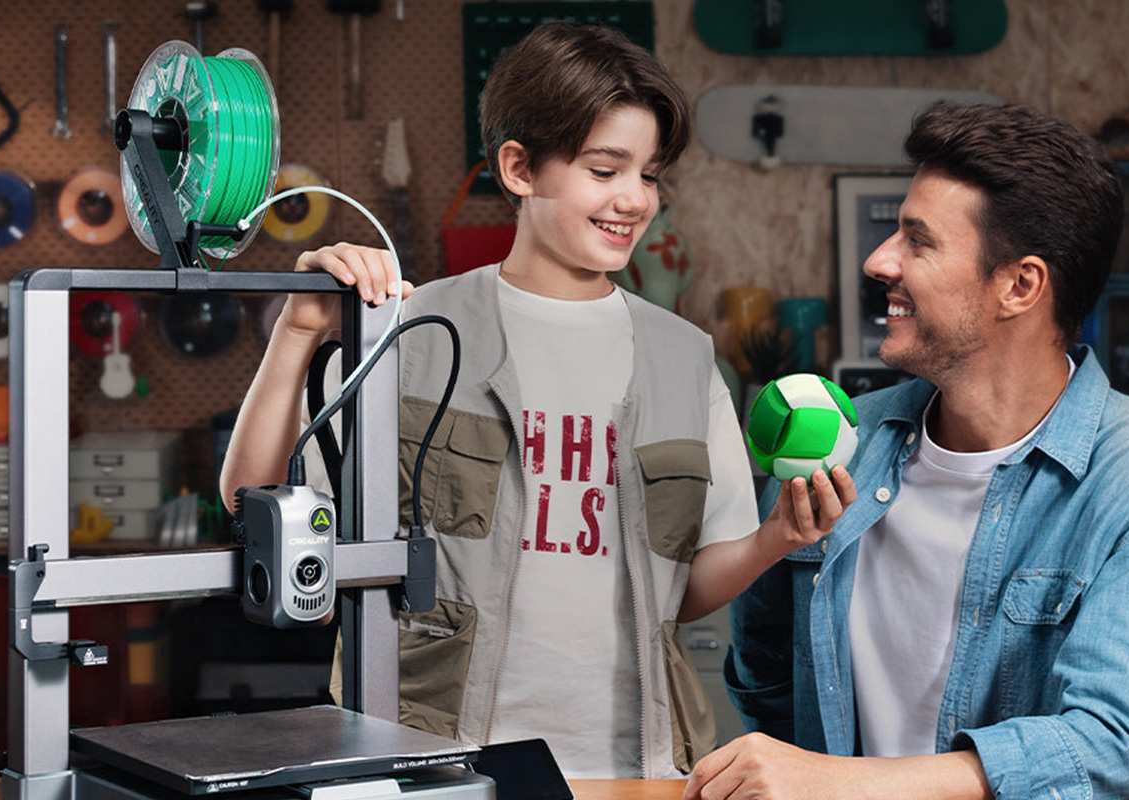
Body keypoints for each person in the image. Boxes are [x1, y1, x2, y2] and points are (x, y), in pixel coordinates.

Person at [220, 21, 856, 779]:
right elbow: (250, 503)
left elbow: (680, 594)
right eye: (604, 169)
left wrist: (776, 537)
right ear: (519, 168)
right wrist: (298, 331)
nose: (633, 200)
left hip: (639, 763)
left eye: (649, 175)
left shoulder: (686, 358)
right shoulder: (412, 328)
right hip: (428, 756)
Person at [686, 101, 1129, 800]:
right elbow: (768, 667)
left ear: (1020, 286)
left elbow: (1107, 750)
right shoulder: (838, 444)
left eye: (917, 241)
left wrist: (840, 782)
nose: (877, 260)